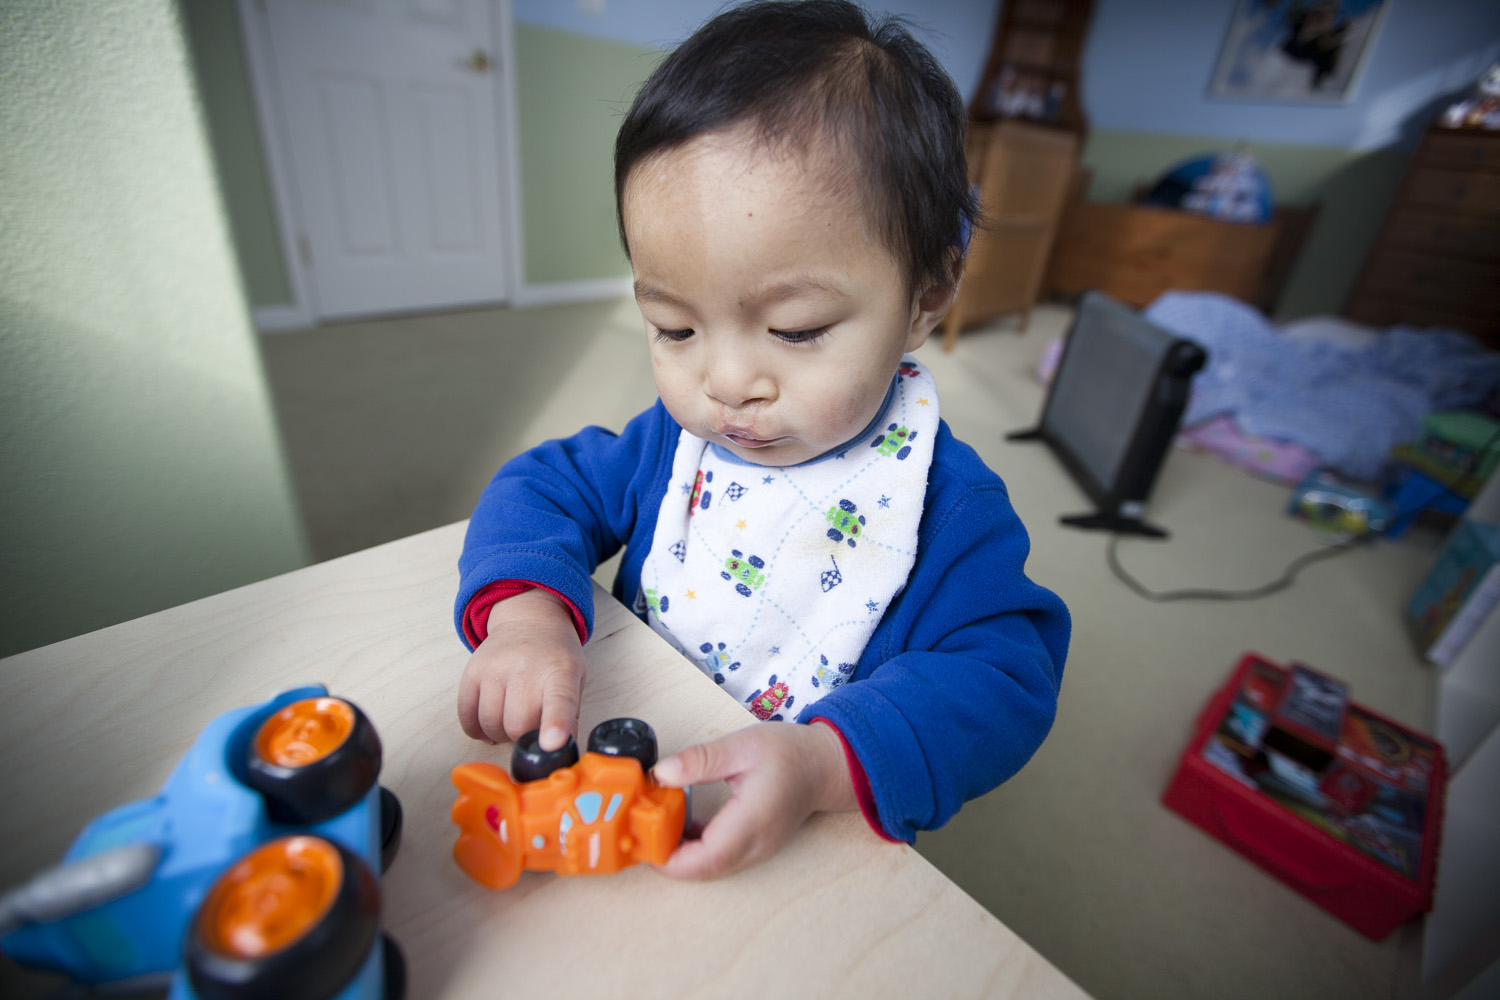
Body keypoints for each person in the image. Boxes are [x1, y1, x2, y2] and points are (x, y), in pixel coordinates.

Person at [454, 0, 1070, 880]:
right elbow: (541, 486)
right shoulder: (674, 444)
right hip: (628, 776)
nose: (726, 383)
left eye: (794, 329)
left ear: (926, 298)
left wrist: (826, 763)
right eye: (675, 328)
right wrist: (527, 615)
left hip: (808, 829)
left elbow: (1005, 680)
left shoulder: (944, 506)